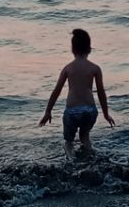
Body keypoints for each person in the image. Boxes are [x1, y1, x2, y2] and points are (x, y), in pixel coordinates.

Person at [40, 27, 114, 155]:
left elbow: (56, 91)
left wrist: (48, 112)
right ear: (89, 49)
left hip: (72, 112)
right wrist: (106, 114)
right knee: (84, 136)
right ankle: (91, 155)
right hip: (90, 110)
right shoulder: (95, 68)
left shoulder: (68, 69)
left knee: (68, 142)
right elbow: (101, 92)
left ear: (72, 49)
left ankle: (71, 161)